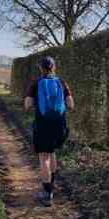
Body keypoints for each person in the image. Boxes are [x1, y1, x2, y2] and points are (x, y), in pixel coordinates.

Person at [24, 56, 74, 207]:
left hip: (43, 125)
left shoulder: (36, 83)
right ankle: (52, 184)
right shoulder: (62, 82)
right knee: (52, 153)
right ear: (54, 67)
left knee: (44, 157)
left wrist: (34, 105)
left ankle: (47, 193)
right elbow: (71, 105)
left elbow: (27, 105)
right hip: (60, 125)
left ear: (41, 68)